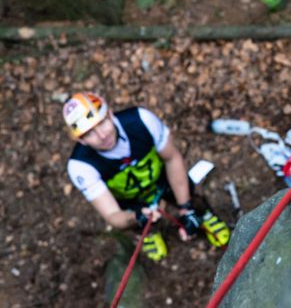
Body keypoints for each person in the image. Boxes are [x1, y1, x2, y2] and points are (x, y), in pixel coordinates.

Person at [63, 92, 230, 260]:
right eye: (90, 133)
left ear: (110, 113)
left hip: (162, 179)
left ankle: (202, 214)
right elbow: (113, 215)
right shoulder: (81, 166)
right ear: (81, 141)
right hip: (130, 202)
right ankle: (147, 232)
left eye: (103, 122)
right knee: (134, 221)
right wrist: (137, 217)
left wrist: (185, 207)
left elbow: (172, 159)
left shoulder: (141, 121)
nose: (102, 135)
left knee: (190, 192)